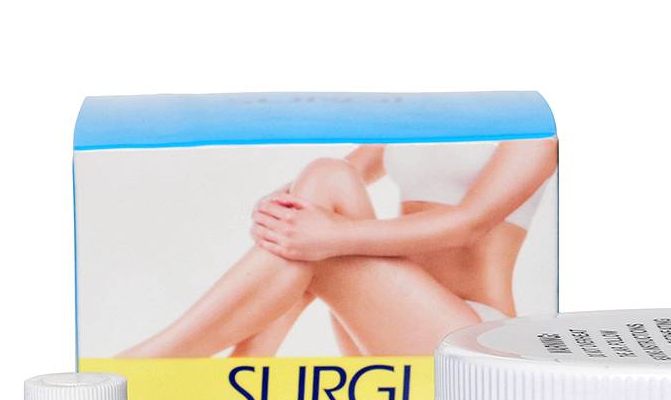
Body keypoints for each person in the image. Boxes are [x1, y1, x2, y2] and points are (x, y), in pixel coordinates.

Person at [120, 139, 558, 357]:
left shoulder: (533, 133)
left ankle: (158, 362)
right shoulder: (422, 116)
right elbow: (342, 174)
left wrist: (328, 235)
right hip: (382, 321)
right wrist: (277, 208)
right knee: (326, 175)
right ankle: (241, 373)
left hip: (467, 340)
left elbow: (469, 224)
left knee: (317, 227)